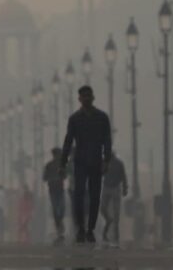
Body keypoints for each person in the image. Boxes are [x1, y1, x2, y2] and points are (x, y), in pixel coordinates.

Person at [60, 85, 112, 244]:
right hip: (81, 161)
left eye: (89, 96)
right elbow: (68, 141)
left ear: (93, 97)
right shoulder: (74, 119)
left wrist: (106, 160)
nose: (87, 99)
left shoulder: (102, 118)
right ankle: (81, 228)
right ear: (80, 99)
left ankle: (90, 229)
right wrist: (63, 162)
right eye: (84, 96)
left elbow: (107, 141)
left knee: (95, 196)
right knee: (78, 195)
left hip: (96, 161)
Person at [100, 151, 128, 243]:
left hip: (113, 187)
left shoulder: (117, 163)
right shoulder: (108, 163)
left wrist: (125, 188)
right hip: (110, 187)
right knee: (106, 209)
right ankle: (111, 222)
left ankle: (114, 228)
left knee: (113, 211)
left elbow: (123, 176)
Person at [43, 147, 67, 243]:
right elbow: (45, 177)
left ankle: (59, 227)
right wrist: (54, 178)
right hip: (54, 190)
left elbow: (64, 176)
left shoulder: (60, 165)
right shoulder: (49, 165)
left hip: (57, 190)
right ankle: (59, 230)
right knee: (58, 209)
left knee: (59, 210)